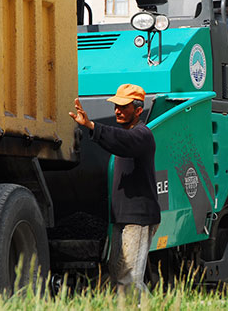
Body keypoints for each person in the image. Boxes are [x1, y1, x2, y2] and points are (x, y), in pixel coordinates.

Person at [69, 83, 160, 296]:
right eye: (116, 106)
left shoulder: (142, 135)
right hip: (123, 218)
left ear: (138, 110)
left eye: (123, 106)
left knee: (129, 279)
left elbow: (122, 142)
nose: (117, 110)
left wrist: (92, 126)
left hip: (137, 219)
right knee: (120, 277)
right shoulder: (128, 135)